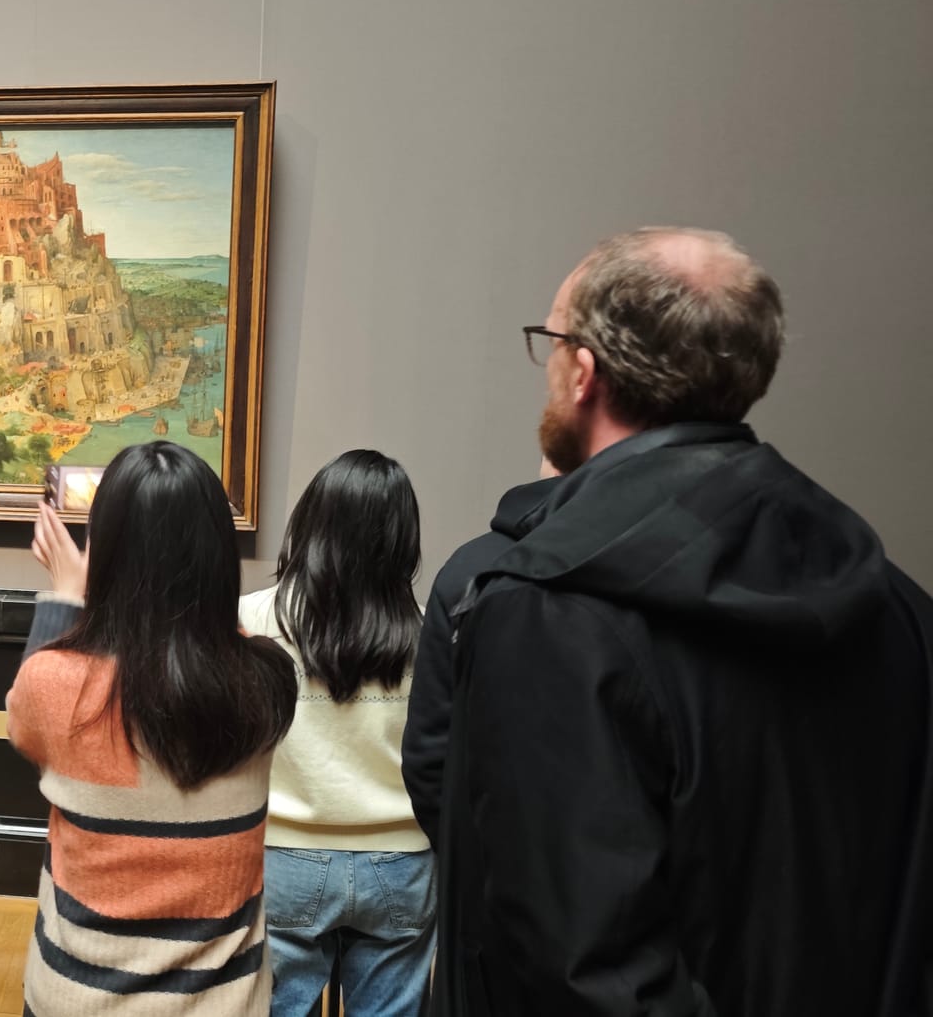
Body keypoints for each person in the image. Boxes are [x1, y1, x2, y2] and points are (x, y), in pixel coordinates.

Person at [436, 228, 933, 1015]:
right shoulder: (894, 600)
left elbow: (585, 976)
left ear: (584, 373)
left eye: (552, 342)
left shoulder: (547, 610)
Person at [12, 441, 300, 1016]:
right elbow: (201, 655)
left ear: (105, 555)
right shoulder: (267, 679)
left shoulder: (56, 685)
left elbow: (26, 727)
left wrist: (66, 598)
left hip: (78, 1000)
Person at [238, 450, 433, 1017]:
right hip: (401, 863)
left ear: (311, 522)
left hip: (284, 857)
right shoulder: (429, 630)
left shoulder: (250, 620)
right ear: (401, 537)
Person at [399, 462, 556, 847]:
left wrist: (463, 858)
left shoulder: (469, 570)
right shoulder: (668, 560)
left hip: (492, 856)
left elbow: (428, 753)